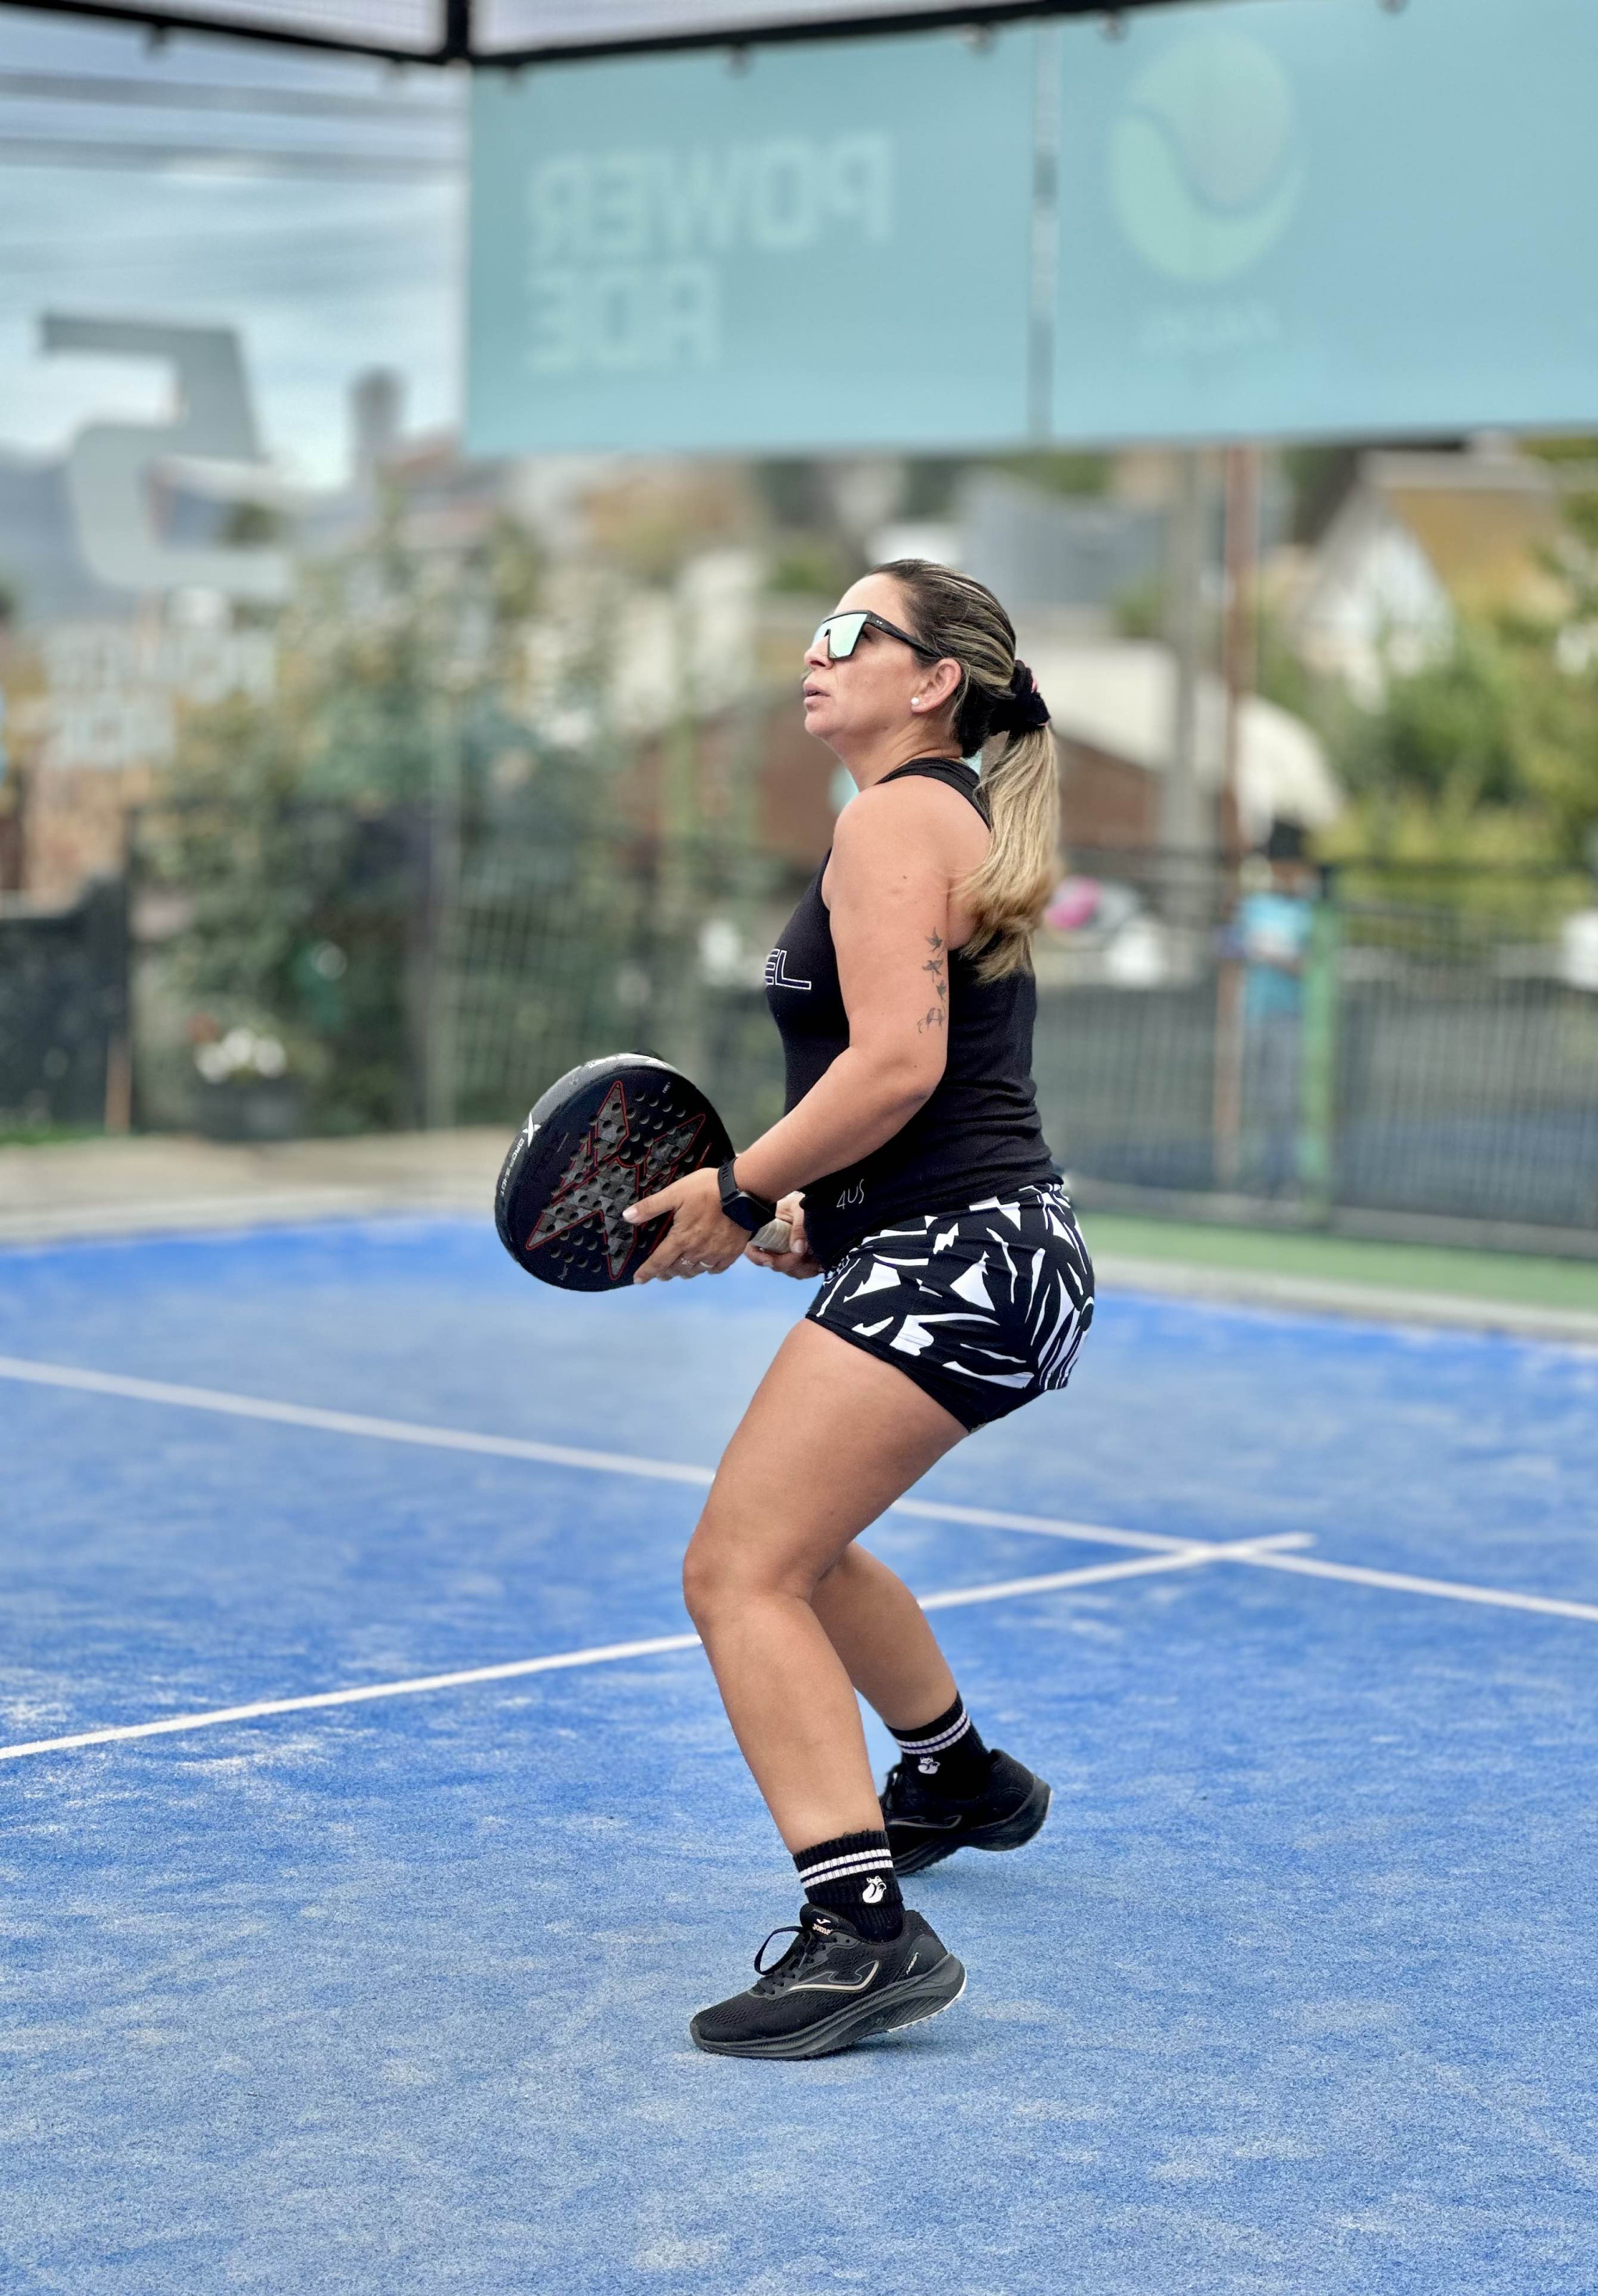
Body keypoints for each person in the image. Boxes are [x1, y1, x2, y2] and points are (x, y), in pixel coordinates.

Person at [623, 560, 1095, 2060]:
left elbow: (896, 1061)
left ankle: (861, 1933)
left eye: (848, 632)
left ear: (932, 679)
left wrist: (739, 1187)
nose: (813, 652)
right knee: (804, 1549)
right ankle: (955, 1775)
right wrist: (818, 1214)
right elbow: (936, 1084)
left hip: (968, 1250)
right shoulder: (933, 815)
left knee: (736, 1569)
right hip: (977, 1245)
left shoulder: (895, 817)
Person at [1236, 819, 1319, 1197]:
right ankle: (1258, 1174)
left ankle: (1289, 1176)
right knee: (1256, 1098)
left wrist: (1280, 956)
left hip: (1293, 1016)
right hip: (1256, 1013)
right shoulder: (1255, 906)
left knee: (1286, 1100)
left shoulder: (1308, 910)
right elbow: (1233, 948)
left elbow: (1314, 964)